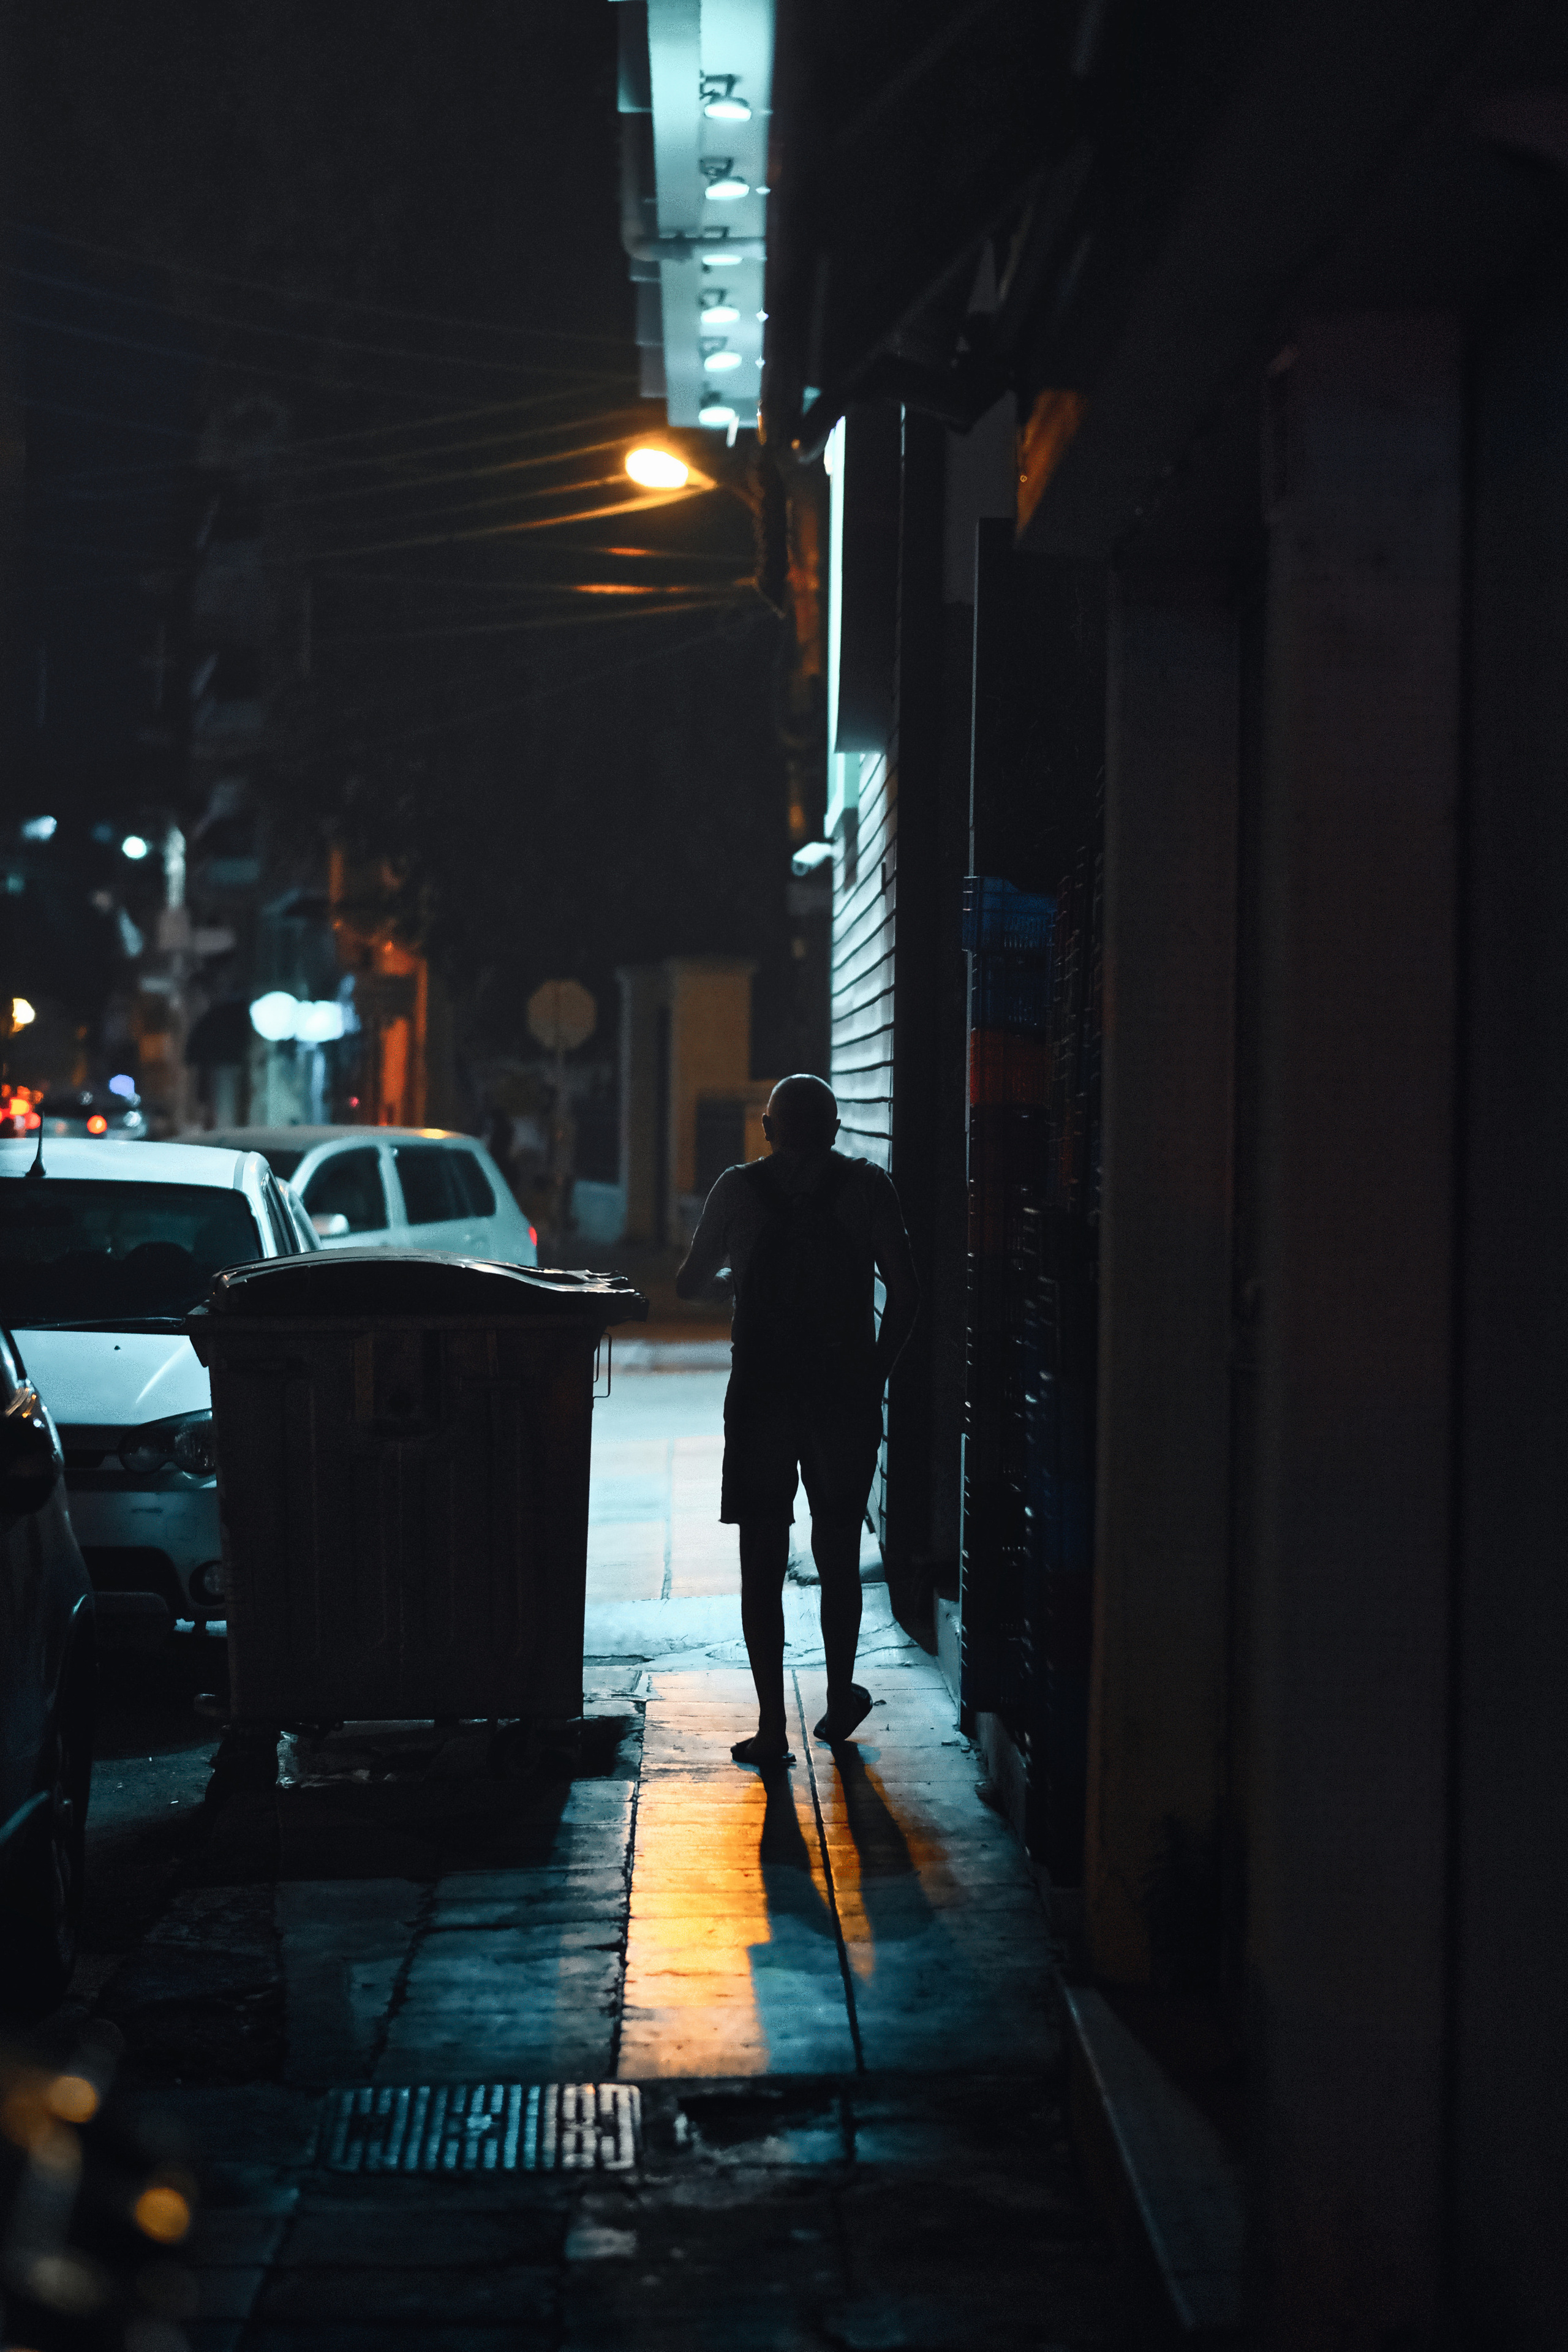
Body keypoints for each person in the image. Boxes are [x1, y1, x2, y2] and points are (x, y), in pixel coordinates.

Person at [675, 1073, 919, 1764]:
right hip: (841, 1397)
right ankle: (840, 1697)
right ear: (836, 1128)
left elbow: (689, 1282)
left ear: (768, 1129)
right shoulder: (869, 1187)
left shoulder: (736, 1188)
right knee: (838, 1553)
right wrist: (873, 1375)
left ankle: (771, 1726)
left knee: (762, 1562)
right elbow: (907, 1295)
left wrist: (739, 1277)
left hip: (759, 1397)